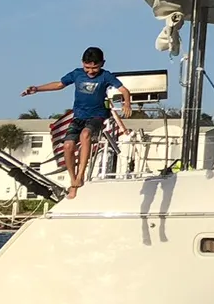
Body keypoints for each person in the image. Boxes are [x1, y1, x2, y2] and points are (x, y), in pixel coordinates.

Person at [23, 47, 132, 199]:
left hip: (97, 116)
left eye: (95, 67)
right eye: (87, 67)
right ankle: (73, 179)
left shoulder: (106, 76)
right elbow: (59, 85)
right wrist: (37, 89)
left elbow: (124, 90)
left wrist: (127, 103)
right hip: (79, 116)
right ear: (82, 63)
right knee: (68, 145)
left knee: (85, 134)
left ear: (102, 63)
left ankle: (80, 176)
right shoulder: (77, 74)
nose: (91, 71)